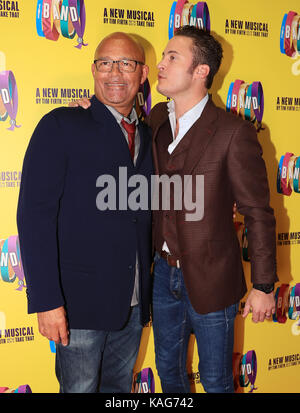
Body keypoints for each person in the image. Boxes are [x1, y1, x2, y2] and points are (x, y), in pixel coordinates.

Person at [70, 27, 277, 393]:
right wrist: (90, 110)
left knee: (215, 381)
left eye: (172, 58)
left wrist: (263, 285)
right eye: (163, 56)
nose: (160, 65)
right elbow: (118, 125)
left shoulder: (233, 132)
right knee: (169, 374)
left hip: (214, 279)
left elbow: (258, 211)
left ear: (201, 72)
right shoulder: (156, 121)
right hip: (163, 278)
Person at [17, 32, 153, 393]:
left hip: (134, 303)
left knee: (118, 391)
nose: (115, 73)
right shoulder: (61, 125)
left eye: (126, 63)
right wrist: (46, 301)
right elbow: (34, 217)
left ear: (142, 74)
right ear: (93, 70)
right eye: (105, 63)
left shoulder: (150, 136)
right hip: (78, 307)